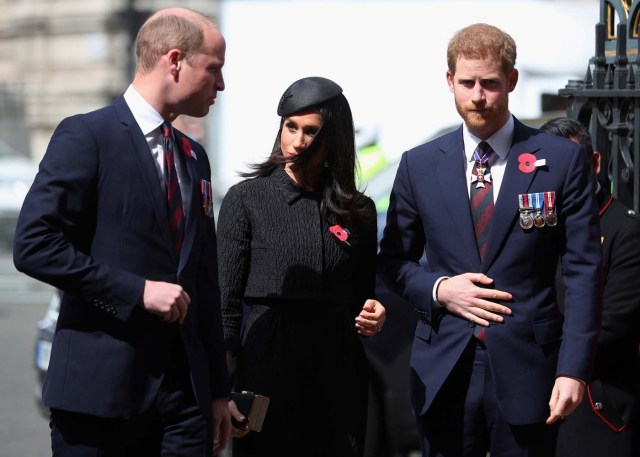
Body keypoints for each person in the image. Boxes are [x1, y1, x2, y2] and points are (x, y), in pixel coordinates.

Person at [13, 7, 231, 456]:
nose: (221, 85)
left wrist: (216, 390)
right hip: (100, 397)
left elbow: (204, 281)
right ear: (175, 61)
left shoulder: (194, 157)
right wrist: (137, 291)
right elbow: (35, 245)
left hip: (183, 403)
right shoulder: (85, 136)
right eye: (214, 69)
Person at [377, 23, 601, 457]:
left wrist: (573, 369)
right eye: (467, 83)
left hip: (530, 367)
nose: (477, 95)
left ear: (511, 81)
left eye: (490, 84)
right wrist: (441, 290)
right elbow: (394, 263)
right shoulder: (419, 165)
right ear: (449, 81)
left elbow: (583, 272)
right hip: (443, 367)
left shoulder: (560, 160)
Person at [217, 76, 386, 457]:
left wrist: (374, 315)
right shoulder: (247, 199)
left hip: (338, 368)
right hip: (265, 363)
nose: (297, 141)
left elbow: (364, 299)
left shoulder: (358, 211)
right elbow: (225, 307)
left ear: (334, 138)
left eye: (311, 131)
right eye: (290, 127)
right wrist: (220, 391)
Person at [540, 117, 640, 457]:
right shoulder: (539, 223)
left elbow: (614, 324)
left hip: (594, 403)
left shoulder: (624, 230)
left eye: (572, 165)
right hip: (532, 394)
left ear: (595, 163)